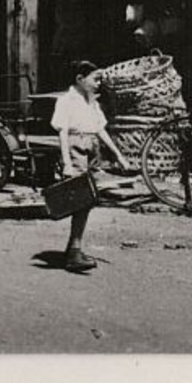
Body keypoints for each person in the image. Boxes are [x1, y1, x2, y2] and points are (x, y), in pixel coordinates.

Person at [53, 61, 133, 273]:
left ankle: (73, 247)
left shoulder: (91, 102)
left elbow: (100, 129)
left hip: (92, 148)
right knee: (82, 200)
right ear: (80, 79)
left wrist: (118, 155)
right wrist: (67, 163)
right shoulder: (66, 101)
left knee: (88, 199)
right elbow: (62, 133)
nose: (99, 83)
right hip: (76, 146)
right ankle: (74, 251)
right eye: (95, 79)